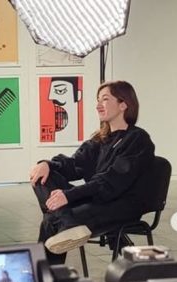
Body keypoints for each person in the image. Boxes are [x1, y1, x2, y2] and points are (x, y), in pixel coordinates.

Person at [29, 80, 155, 264]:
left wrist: (68, 196)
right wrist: (46, 164)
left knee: (51, 219)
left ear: (123, 104)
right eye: (98, 100)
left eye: (105, 99)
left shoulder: (137, 139)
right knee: (43, 177)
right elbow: (74, 165)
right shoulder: (99, 139)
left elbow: (111, 181)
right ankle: (66, 222)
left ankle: (44, 275)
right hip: (97, 200)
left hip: (120, 205)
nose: (98, 105)